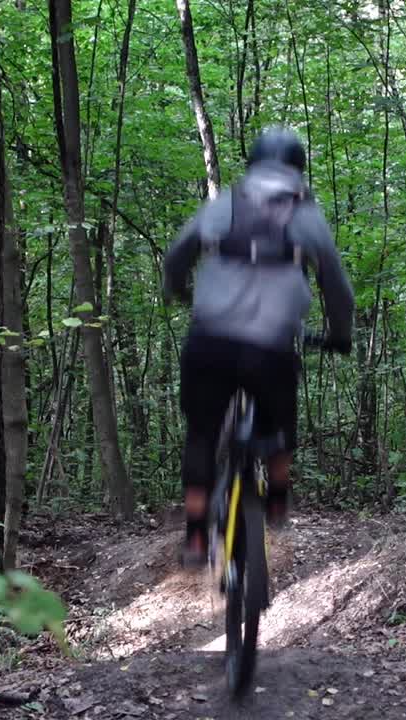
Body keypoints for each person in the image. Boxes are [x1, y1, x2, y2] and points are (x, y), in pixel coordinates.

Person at [163, 126, 354, 569]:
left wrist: (179, 292)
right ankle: (278, 498)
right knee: (281, 421)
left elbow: (177, 255)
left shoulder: (225, 204)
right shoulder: (305, 216)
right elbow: (336, 287)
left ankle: (194, 536)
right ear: (297, 169)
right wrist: (339, 333)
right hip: (270, 346)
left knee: (202, 433)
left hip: (209, 340)